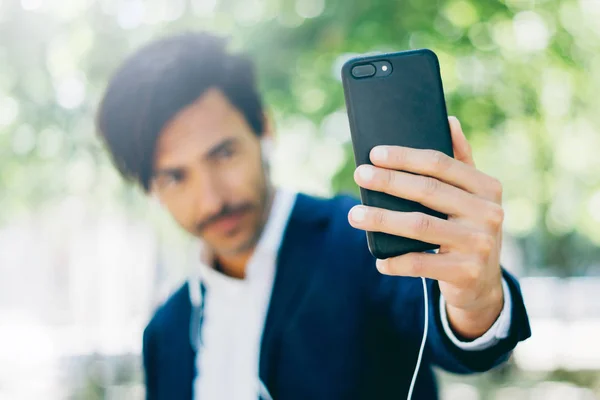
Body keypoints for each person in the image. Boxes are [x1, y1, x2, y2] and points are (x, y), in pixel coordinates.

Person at [95, 32, 531, 400]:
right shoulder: (163, 334)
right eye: (175, 177)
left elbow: (452, 331)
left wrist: (476, 302)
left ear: (264, 128)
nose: (211, 200)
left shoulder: (364, 236)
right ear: (151, 189)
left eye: (223, 154)